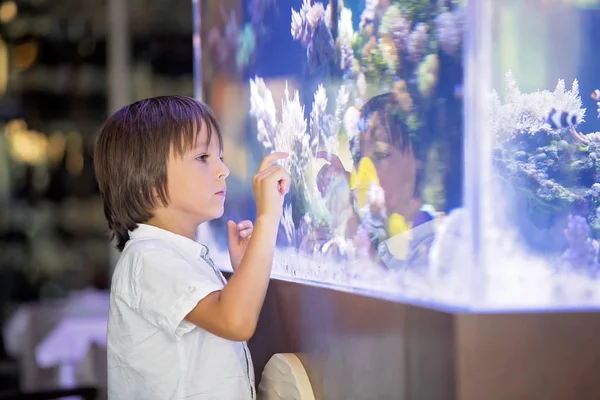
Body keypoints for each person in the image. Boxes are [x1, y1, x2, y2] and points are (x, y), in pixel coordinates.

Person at [93, 95, 290, 400]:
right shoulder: (148, 259)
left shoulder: (173, 255)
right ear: (150, 182)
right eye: (203, 158)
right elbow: (235, 321)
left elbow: (228, 318)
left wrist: (245, 270)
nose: (223, 169)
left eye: (220, 156)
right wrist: (267, 217)